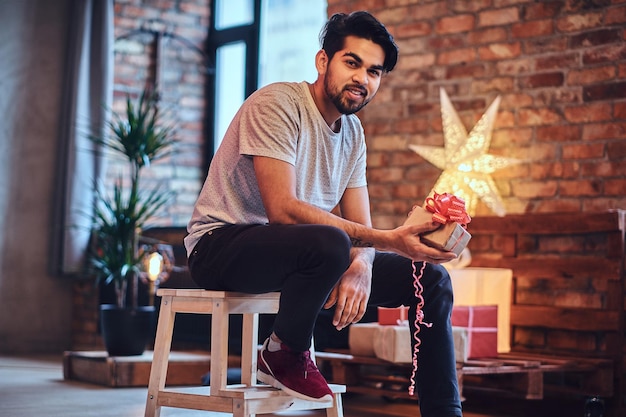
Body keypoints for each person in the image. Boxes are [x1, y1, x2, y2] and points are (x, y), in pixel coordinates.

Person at [184, 11, 463, 417]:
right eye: (352, 63)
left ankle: (444, 412)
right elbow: (283, 211)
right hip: (220, 245)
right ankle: (282, 354)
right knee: (330, 241)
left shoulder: (353, 135)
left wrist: (362, 265)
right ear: (323, 61)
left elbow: (360, 229)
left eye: (374, 71)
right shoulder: (278, 104)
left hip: (302, 256)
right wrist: (387, 239)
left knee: (431, 277)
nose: (363, 79)